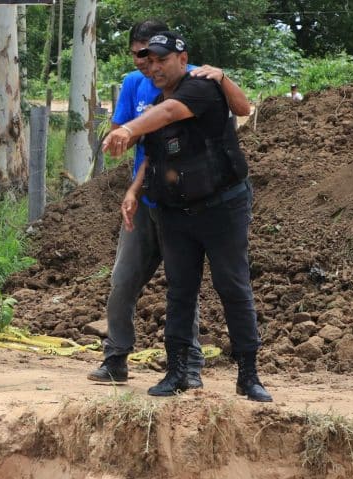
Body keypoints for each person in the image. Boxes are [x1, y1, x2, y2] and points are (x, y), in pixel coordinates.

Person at [102, 31, 273, 402]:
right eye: (150, 59)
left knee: (232, 286)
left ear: (183, 59)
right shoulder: (153, 98)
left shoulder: (201, 87)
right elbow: (155, 156)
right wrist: (133, 191)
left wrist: (131, 127)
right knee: (180, 291)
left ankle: (248, 374)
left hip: (222, 206)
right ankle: (177, 371)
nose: (156, 66)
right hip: (175, 210)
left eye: (163, 59)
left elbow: (170, 115)